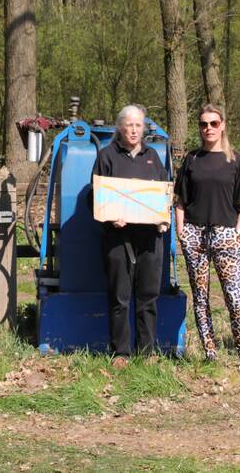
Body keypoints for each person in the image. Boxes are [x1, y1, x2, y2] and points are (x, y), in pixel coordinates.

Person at [174, 103, 240, 372]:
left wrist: (239, 232)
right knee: (200, 298)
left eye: (213, 123)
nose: (208, 128)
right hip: (195, 236)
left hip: (225, 235)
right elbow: (180, 201)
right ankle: (210, 354)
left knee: (234, 296)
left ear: (222, 125)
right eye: (203, 124)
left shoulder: (235, 160)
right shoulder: (192, 160)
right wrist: (182, 232)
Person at [92, 105, 169, 366]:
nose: (134, 130)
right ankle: (121, 352)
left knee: (148, 295)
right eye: (129, 125)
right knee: (120, 296)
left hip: (149, 238)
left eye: (138, 125)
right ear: (120, 128)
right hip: (118, 238)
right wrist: (111, 217)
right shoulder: (107, 156)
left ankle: (147, 352)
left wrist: (163, 220)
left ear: (144, 128)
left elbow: (163, 194)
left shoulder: (153, 156)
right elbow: (95, 197)